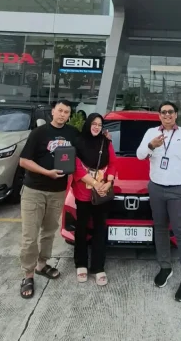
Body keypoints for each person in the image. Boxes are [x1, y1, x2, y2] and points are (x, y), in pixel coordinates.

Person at [136, 101, 181, 303]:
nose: (167, 115)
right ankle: (165, 267)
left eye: (170, 112)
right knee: (160, 228)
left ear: (176, 115)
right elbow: (139, 155)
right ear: (159, 116)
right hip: (156, 188)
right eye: (163, 112)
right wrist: (151, 146)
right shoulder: (151, 133)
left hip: (178, 190)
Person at [19, 99, 79, 299]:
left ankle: (42, 264)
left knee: (49, 232)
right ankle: (28, 275)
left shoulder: (72, 133)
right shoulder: (39, 133)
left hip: (58, 192)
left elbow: (88, 145)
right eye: (60, 110)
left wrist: (104, 136)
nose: (63, 114)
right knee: (30, 236)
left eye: (66, 112)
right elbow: (24, 161)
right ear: (53, 111)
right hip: (34, 190)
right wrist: (47, 172)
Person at [72, 113, 116, 286]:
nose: (97, 127)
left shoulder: (106, 142)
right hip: (83, 193)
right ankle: (81, 264)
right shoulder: (78, 142)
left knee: (100, 229)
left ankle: (98, 267)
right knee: (81, 228)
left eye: (99, 124)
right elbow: (76, 168)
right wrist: (96, 184)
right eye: (94, 124)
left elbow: (113, 163)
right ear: (88, 124)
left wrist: (109, 182)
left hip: (102, 193)